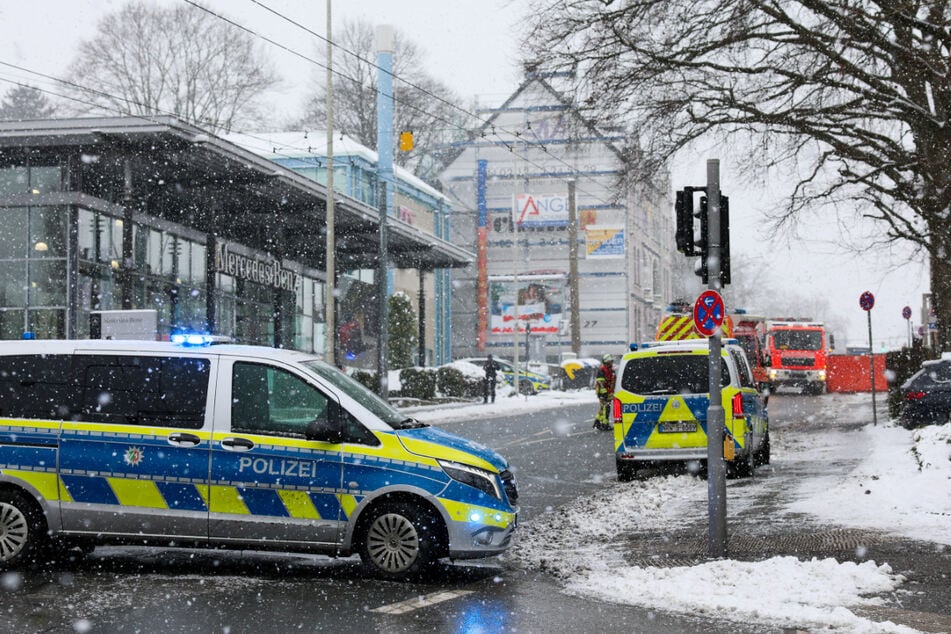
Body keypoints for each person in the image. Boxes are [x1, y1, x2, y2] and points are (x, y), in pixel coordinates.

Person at [594, 353, 615, 430]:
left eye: (611, 361)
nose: (611, 363)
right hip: (602, 392)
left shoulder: (611, 370)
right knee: (606, 407)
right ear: (606, 362)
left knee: (604, 408)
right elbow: (600, 383)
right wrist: (604, 392)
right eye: (610, 362)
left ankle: (598, 421)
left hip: (608, 392)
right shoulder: (602, 370)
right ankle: (604, 424)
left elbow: (612, 382)